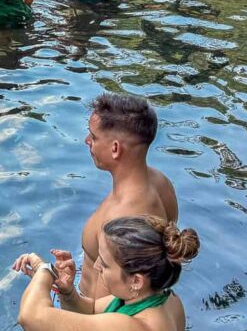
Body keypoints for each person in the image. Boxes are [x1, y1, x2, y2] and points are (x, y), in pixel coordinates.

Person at [13, 216, 199, 330]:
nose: (97, 266)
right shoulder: (166, 298)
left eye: (106, 263)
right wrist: (68, 292)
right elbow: (92, 310)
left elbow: (30, 317)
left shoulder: (131, 326)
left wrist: (43, 271)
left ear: (136, 280)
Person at [76, 94, 178, 298]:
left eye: (94, 137)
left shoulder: (122, 220)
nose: (87, 141)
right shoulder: (161, 183)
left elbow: (110, 311)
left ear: (115, 148)